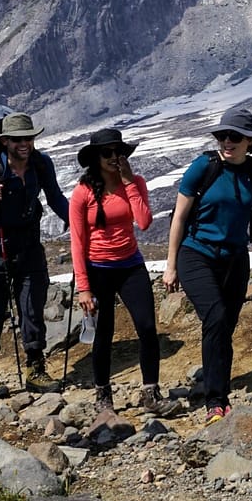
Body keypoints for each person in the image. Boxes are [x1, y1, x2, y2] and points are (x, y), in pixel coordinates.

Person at [163, 107, 252, 425]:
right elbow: (179, 217)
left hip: (235, 258)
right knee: (216, 318)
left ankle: (220, 397)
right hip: (196, 253)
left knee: (225, 328)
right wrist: (171, 264)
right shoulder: (202, 167)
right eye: (222, 135)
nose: (226, 142)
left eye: (234, 136)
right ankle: (215, 402)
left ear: (249, 141)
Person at [70, 127, 184, 416]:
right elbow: (77, 242)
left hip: (131, 264)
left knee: (147, 327)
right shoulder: (82, 192)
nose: (113, 157)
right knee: (104, 332)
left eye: (118, 152)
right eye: (107, 153)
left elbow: (144, 221)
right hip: (98, 269)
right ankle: (103, 396)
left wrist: (129, 182)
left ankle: (151, 392)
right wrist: (83, 287)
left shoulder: (135, 183)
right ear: (95, 157)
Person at [0, 112, 69, 397]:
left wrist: (77, 225)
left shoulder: (41, 164)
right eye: (17, 139)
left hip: (28, 246)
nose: (24, 143)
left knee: (32, 306)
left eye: (28, 137)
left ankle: (36, 369)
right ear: (5, 142)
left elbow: (55, 198)